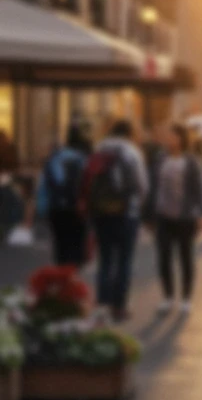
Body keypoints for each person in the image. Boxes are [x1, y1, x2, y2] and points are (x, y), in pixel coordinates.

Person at [83, 119, 148, 321]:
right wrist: (139, 207)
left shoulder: (100, 148)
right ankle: (119, 306)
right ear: (130, 132)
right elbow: (141, 184)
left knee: (105, 259)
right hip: (126, 212)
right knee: (124, 260)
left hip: (100, 212)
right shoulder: (131, 151)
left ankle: (102, 302)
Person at [147, 124, 202, 314]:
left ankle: (186, 297)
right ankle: (168, 297)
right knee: (164, 257)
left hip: (185, 217)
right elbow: (152, 187)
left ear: (181, 138)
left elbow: (199, 190)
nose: (168, 139)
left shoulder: (191, 161)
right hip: (163, 216)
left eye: (171, 135)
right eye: (167, 135)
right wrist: (148, 214)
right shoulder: (159, 159)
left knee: (185, 257)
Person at [37, 124, 91, 266]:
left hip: (56, 208)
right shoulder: (83, 159)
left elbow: (43, 186)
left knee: (60, 246)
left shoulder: (54, 158)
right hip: (76, 208)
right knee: (76, 246)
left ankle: (61, 277)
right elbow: (89, 185)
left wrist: (42, 209)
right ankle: (73, 277)